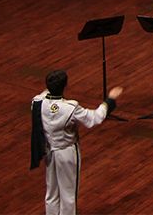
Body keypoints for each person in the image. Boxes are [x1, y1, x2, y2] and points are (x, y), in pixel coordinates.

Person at [30, 70, 122, 215]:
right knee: (68, 194)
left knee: (51, 193)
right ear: (65, 86)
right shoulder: (70, 108)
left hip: (48, 150)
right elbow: (94, 118)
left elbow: (46, 97)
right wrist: (109, 100)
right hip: (67, 153)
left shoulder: (37, 102)